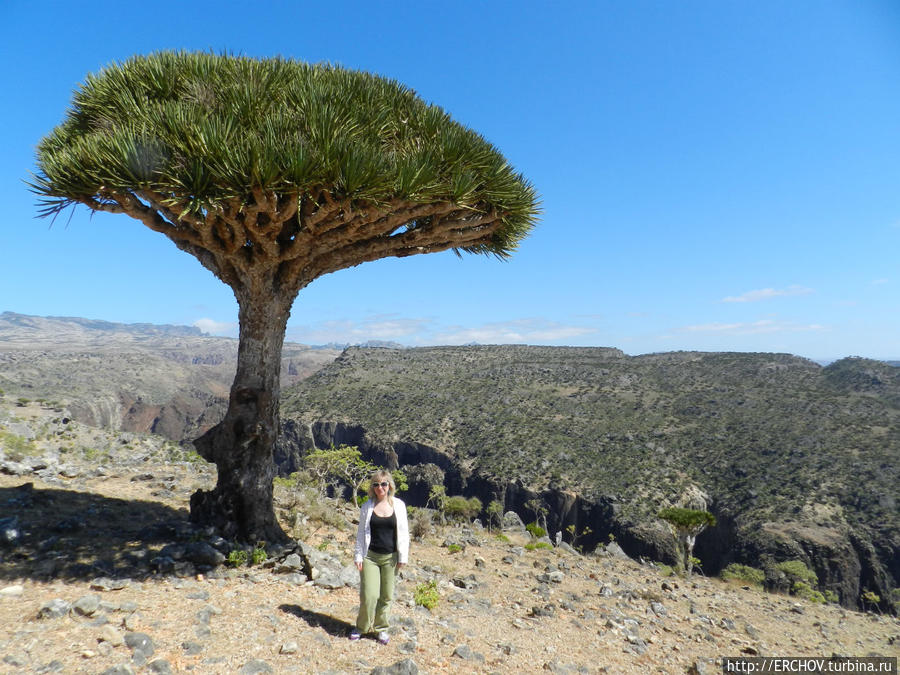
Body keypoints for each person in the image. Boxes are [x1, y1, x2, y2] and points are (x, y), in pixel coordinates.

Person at [350, 470, 409, 644]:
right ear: (372, 487)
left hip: (391, 558)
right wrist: (358, 555)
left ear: (389, 485)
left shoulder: (399, 505)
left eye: (383, 484)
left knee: (386, 596)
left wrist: (402, 557)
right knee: (369, 595)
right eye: (376, 484)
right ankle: (361, 627)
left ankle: (381, 629)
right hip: (370, 557)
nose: (380, 487)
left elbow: (404, 532)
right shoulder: (367, 506)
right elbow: (361, 533)